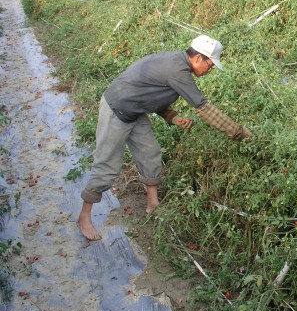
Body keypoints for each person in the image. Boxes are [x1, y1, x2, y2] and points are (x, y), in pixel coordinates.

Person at [77, 34, 252, 241]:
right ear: (198, 58)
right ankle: (84, 217)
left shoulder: (176, 64)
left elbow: (154, 94)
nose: (211, 69)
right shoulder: (177, 70)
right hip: (117, 108)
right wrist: (242, 135)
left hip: (136, 109)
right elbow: (204, 107)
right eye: (210, 65)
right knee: (107, 167)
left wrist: (174, 118)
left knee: (150, 153)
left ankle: (153, 205)